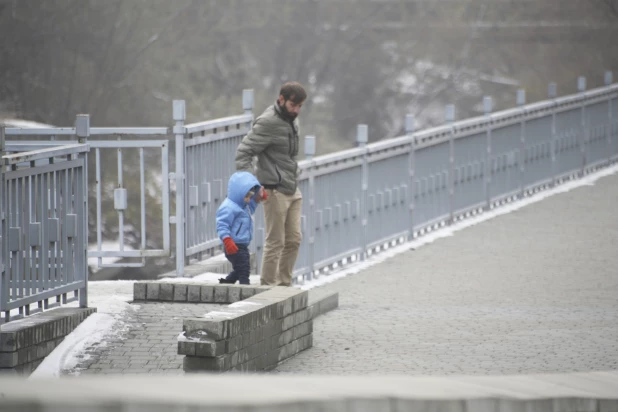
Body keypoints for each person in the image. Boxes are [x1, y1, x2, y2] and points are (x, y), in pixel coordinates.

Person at [235, 81, 307, 286]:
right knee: (276, 242)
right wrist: (250, 185)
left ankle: (284, 286)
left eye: (300, 106)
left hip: (292, 188)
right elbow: (243, 152)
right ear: (281, 99)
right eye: (294, 105)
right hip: (274, 190)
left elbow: (288, 156)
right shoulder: (268, 122)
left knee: (294, 240)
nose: (297, 110)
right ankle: (267, 288)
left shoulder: (293, 120)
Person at [216, 171, 267, 285]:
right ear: (239, 193)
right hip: (233, 245)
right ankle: (245, 288)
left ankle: (226, 283)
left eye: (250, 196)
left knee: (240, 269)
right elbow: (222, 225)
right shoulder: (229, 207)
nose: (249, 199)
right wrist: (227, 240)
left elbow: (254, 203)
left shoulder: (245, 206)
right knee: (244, 269)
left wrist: (260, 194)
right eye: (247, 196)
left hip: (242, 245)